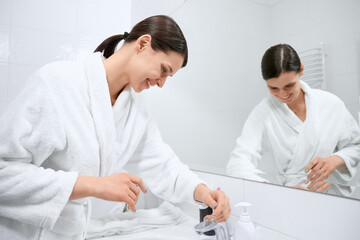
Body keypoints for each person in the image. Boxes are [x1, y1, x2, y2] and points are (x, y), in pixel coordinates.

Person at [0, 15, 230, 240]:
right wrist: (95, 186)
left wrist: (203, 192)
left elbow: (163, 166)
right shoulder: (57, 82)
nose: (161, 83)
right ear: (142, 44)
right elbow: (4, 172)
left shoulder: (134, 112)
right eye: (163, 70)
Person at [226, 43, 360, 194]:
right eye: (273, 88)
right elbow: (238, 163)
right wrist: (272, 190)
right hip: (290, 195)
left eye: (289, 85)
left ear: (301, 70)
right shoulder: (262, 113)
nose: (283, 95)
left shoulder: (331, 104)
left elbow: (356, 146)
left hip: (333, 196)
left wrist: (334, 161)